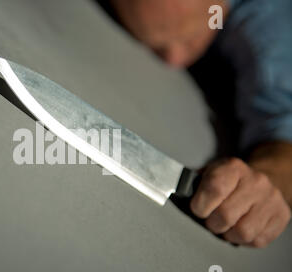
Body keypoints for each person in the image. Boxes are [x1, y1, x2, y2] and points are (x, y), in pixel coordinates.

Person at [108, 0, 292, 247]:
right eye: (157, 46)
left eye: (188, 37)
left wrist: (265, 179)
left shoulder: (271, 32)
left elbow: (285, 133)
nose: (174, 60)